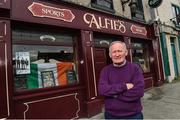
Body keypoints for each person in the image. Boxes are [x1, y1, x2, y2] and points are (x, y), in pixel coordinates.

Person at [98, 41, 144, 119]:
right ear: (110, 55)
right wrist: (124, 86)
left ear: (125, 52)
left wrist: (114, 95)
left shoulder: (135, 68)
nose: (117, 54)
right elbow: (102, 90)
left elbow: (139, 92)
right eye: (114, 52)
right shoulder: (105, 70)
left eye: (120, 51)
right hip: (111, 116)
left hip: (133, 116)